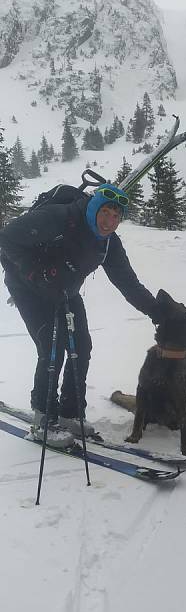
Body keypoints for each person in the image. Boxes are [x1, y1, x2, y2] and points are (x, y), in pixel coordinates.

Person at [0, 183, 172, 447]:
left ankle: (71, 412)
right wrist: (35, 271)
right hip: (28, 286)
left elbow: (127, 282)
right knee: (51, 345)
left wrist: (157, 312)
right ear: (93, 208)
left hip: (65, 289)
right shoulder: (60, 218)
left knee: (81, 345)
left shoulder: (108, 244)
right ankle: (44, 418)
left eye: (116, 216)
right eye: (105, 212)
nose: (109, 221)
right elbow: (7, 237)